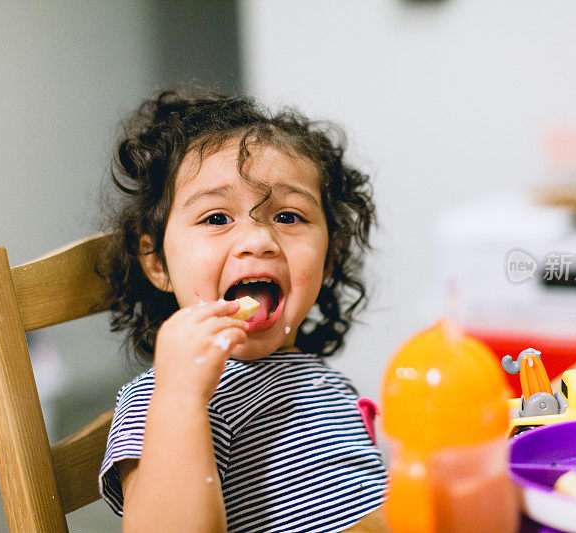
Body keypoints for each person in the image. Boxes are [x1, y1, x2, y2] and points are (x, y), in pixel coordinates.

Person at [97, 86, 388, 532]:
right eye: (217, 218)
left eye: (288, 217)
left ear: (328, 259)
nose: (258, 241)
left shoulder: (319, 378)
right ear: (158, 263)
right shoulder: (162, 400)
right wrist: (181, 399)